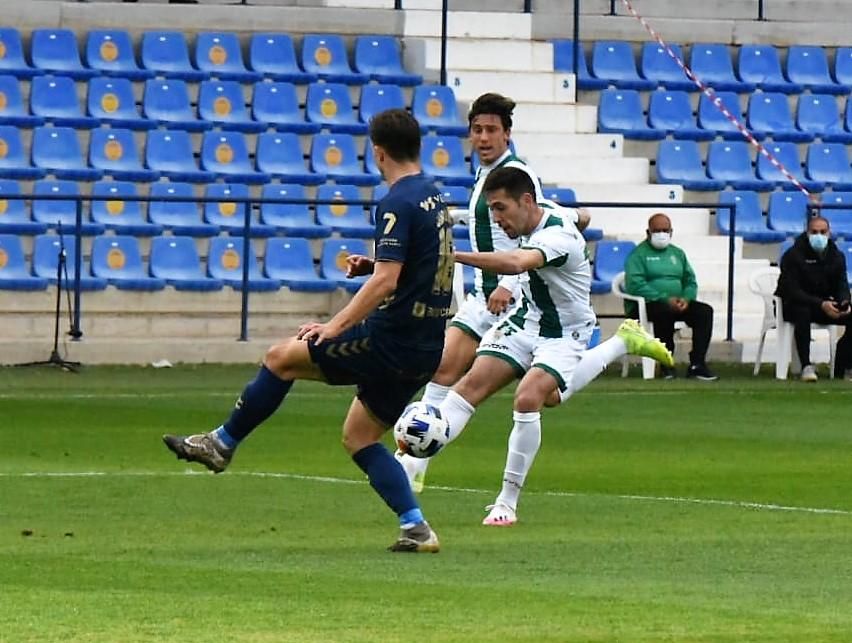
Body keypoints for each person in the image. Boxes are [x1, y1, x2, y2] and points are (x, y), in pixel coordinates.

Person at [162, 109, 454, 553]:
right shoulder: (434, 198)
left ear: (378, 152)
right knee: (359, 437)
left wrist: (333, 325)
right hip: (427, 345)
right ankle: (416, 528)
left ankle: (221, 444)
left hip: (392, 337)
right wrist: (374, 264)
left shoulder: (396, 201)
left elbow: (388, 282)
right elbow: (421, 267)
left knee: (282, 358)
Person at [415, 167, 672, 526]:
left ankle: (506, 502)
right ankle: (414, 461)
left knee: (528, 396)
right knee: (471, 386)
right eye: (491, 210)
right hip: (527, 319)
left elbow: (518, 261)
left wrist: (452, 256)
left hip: (566, 331)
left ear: (525, 201)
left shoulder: (557, 237)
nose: (497, 219)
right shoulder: (545, 213)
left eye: (501, 208)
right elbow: (582, 215)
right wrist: (579, 218)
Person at [623, 213, 718, 381]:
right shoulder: (638, 254)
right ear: (648, 232)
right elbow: (635, 284)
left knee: (705, 312)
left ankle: (697, 364)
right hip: (648, 305)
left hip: (679, 303)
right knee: (663, 311)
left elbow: (690, 281)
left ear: (671, 232)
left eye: (665, 230)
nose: (661, 234)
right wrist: (664, 298)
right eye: (657, 230)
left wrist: (686, 299)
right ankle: (666, 362)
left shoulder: (677, 253)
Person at [775, 215, 852, 381]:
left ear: (829, 233)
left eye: (823, 232)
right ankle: (806, 365)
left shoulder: (836, 256)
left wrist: (844, 302)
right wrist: (820, 304)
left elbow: (841, 284)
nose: (819, 236)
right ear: (807, 232)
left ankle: (844, 365)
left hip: (823, 304)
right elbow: (792, 290)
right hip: (793, 304)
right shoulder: (793, 255)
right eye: (814, 232)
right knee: (802, 312)